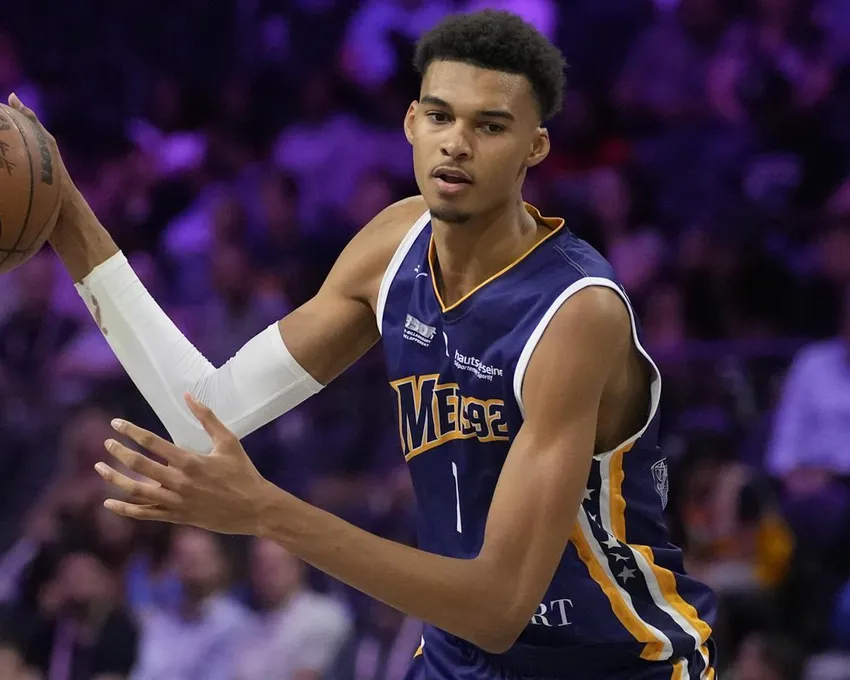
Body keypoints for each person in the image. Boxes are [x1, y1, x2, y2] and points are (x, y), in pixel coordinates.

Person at [10, 9, 718, 679]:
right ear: (411, 123)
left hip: (614, 661)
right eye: (439, 116)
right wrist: (65, 211)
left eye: (490, 125)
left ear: (535, 146)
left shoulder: (576, 313)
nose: (457, 143)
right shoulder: (392, 247)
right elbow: (207, 411)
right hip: (461, 654)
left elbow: (500, 607)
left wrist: (264, 510)